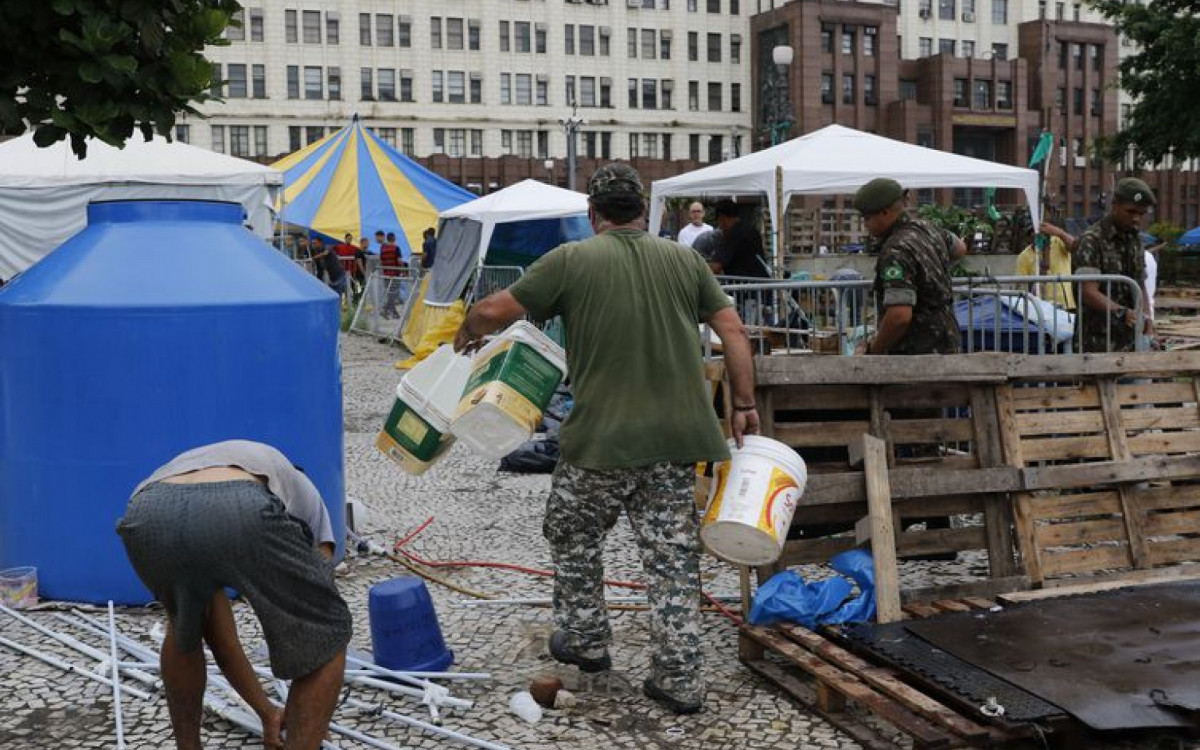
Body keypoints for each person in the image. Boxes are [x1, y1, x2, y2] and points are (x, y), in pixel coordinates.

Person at [453, 164, 758, 715]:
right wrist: (745, 405)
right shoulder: (686, 260)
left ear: (592, 214)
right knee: (670, 559)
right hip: (675, 441)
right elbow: (734, 331)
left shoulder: (572, 260)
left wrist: (470, 329)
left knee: (571, 530)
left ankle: (589, 640)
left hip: (600, 440)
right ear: (642, 211)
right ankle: (680, 679)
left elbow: (492, 310)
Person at [116, 440, 351, 750]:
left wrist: (267, 713)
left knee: (184, 630)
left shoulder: (229, 460)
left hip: (147, 512)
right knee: (327, 631)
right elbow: (314, 614)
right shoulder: (306, 495)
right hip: (237, 506)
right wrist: (308, 718)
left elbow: (221, 641)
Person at [856, 178, 965, 356]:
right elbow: (960, 248)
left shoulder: (896, 250)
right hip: (948, 341)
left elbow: (899, 317)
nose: (865, 225)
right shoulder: (928, 228)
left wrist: (874, 351)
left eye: (868, 218)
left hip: (918, 353)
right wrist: (931, 268)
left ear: (885, 212)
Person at [1073, 177, 1156, 352]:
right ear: (1115, 204)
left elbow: (1139, 284)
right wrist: (1121, 312)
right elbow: (1087, 291)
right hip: (1096, 343)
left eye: (1141, 214)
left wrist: (1148, 318)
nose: (1136, 218)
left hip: (1130, 342)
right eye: (1130, 211)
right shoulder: (1091, 240)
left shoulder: (1134, 240)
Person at [1015, 221, 1076, 310]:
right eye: (1031, 233)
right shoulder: (1024, 256)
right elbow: (1021, 285)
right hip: (1041, 306)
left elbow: (1075, 246)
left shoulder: (1058, 242)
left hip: (1066, 304)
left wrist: (1060, 233)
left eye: (1039, 232)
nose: (1036, 235)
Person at [708, 199, 770, 278]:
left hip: (746, 287)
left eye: (719, 224)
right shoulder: (752, 231)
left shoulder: (732, 235)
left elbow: (715, 267)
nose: (720, 228)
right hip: (762, 284)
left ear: (722, 218)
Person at [311, 237, 348, 302]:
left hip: (340, 275)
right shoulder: (317, 251)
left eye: (315, 243)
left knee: (340, 297)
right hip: (332, 279)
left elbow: (326, 252)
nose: (313, 245)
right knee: (336, 298)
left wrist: (315, 257)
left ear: (320, 243)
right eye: (312, 243)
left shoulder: (327, 247)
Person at [379, 232, 406, 318]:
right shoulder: (396, 248)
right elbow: (399, 261)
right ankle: (384, 309)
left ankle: (394, 313)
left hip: (386, 273)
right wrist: (404, 271)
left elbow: (381, 260)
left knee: (390, 294)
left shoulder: (383, 249)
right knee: (394, 294)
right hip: (395, 273)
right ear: (394, 238)